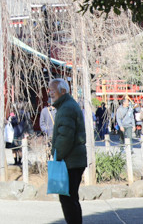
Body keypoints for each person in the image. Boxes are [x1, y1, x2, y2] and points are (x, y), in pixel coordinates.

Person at [49, 78, 87, 224]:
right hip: (73, 160)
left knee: (68, 199)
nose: (50, 93)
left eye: (53, 90)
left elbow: (65, 137)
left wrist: (56, 154)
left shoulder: (66, 108)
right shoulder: (67, 106)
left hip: (70, 161)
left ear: (62, 91)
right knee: (70, 198)